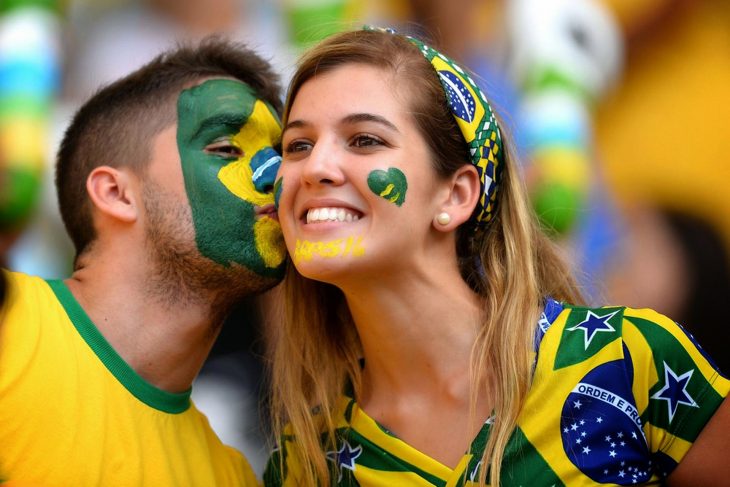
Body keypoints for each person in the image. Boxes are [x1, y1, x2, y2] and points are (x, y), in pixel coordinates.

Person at [263, 28, 730, 486]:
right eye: (297, 145)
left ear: (456, 195)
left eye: (365, 140)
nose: (316, 168)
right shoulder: (307, 460)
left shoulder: (627, 360)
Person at [0, 37, 286, 485]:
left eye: (281, 155)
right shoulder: (8, 325)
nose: (277, 176)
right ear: (115, 194)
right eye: (228, 149)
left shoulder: (230, 478)